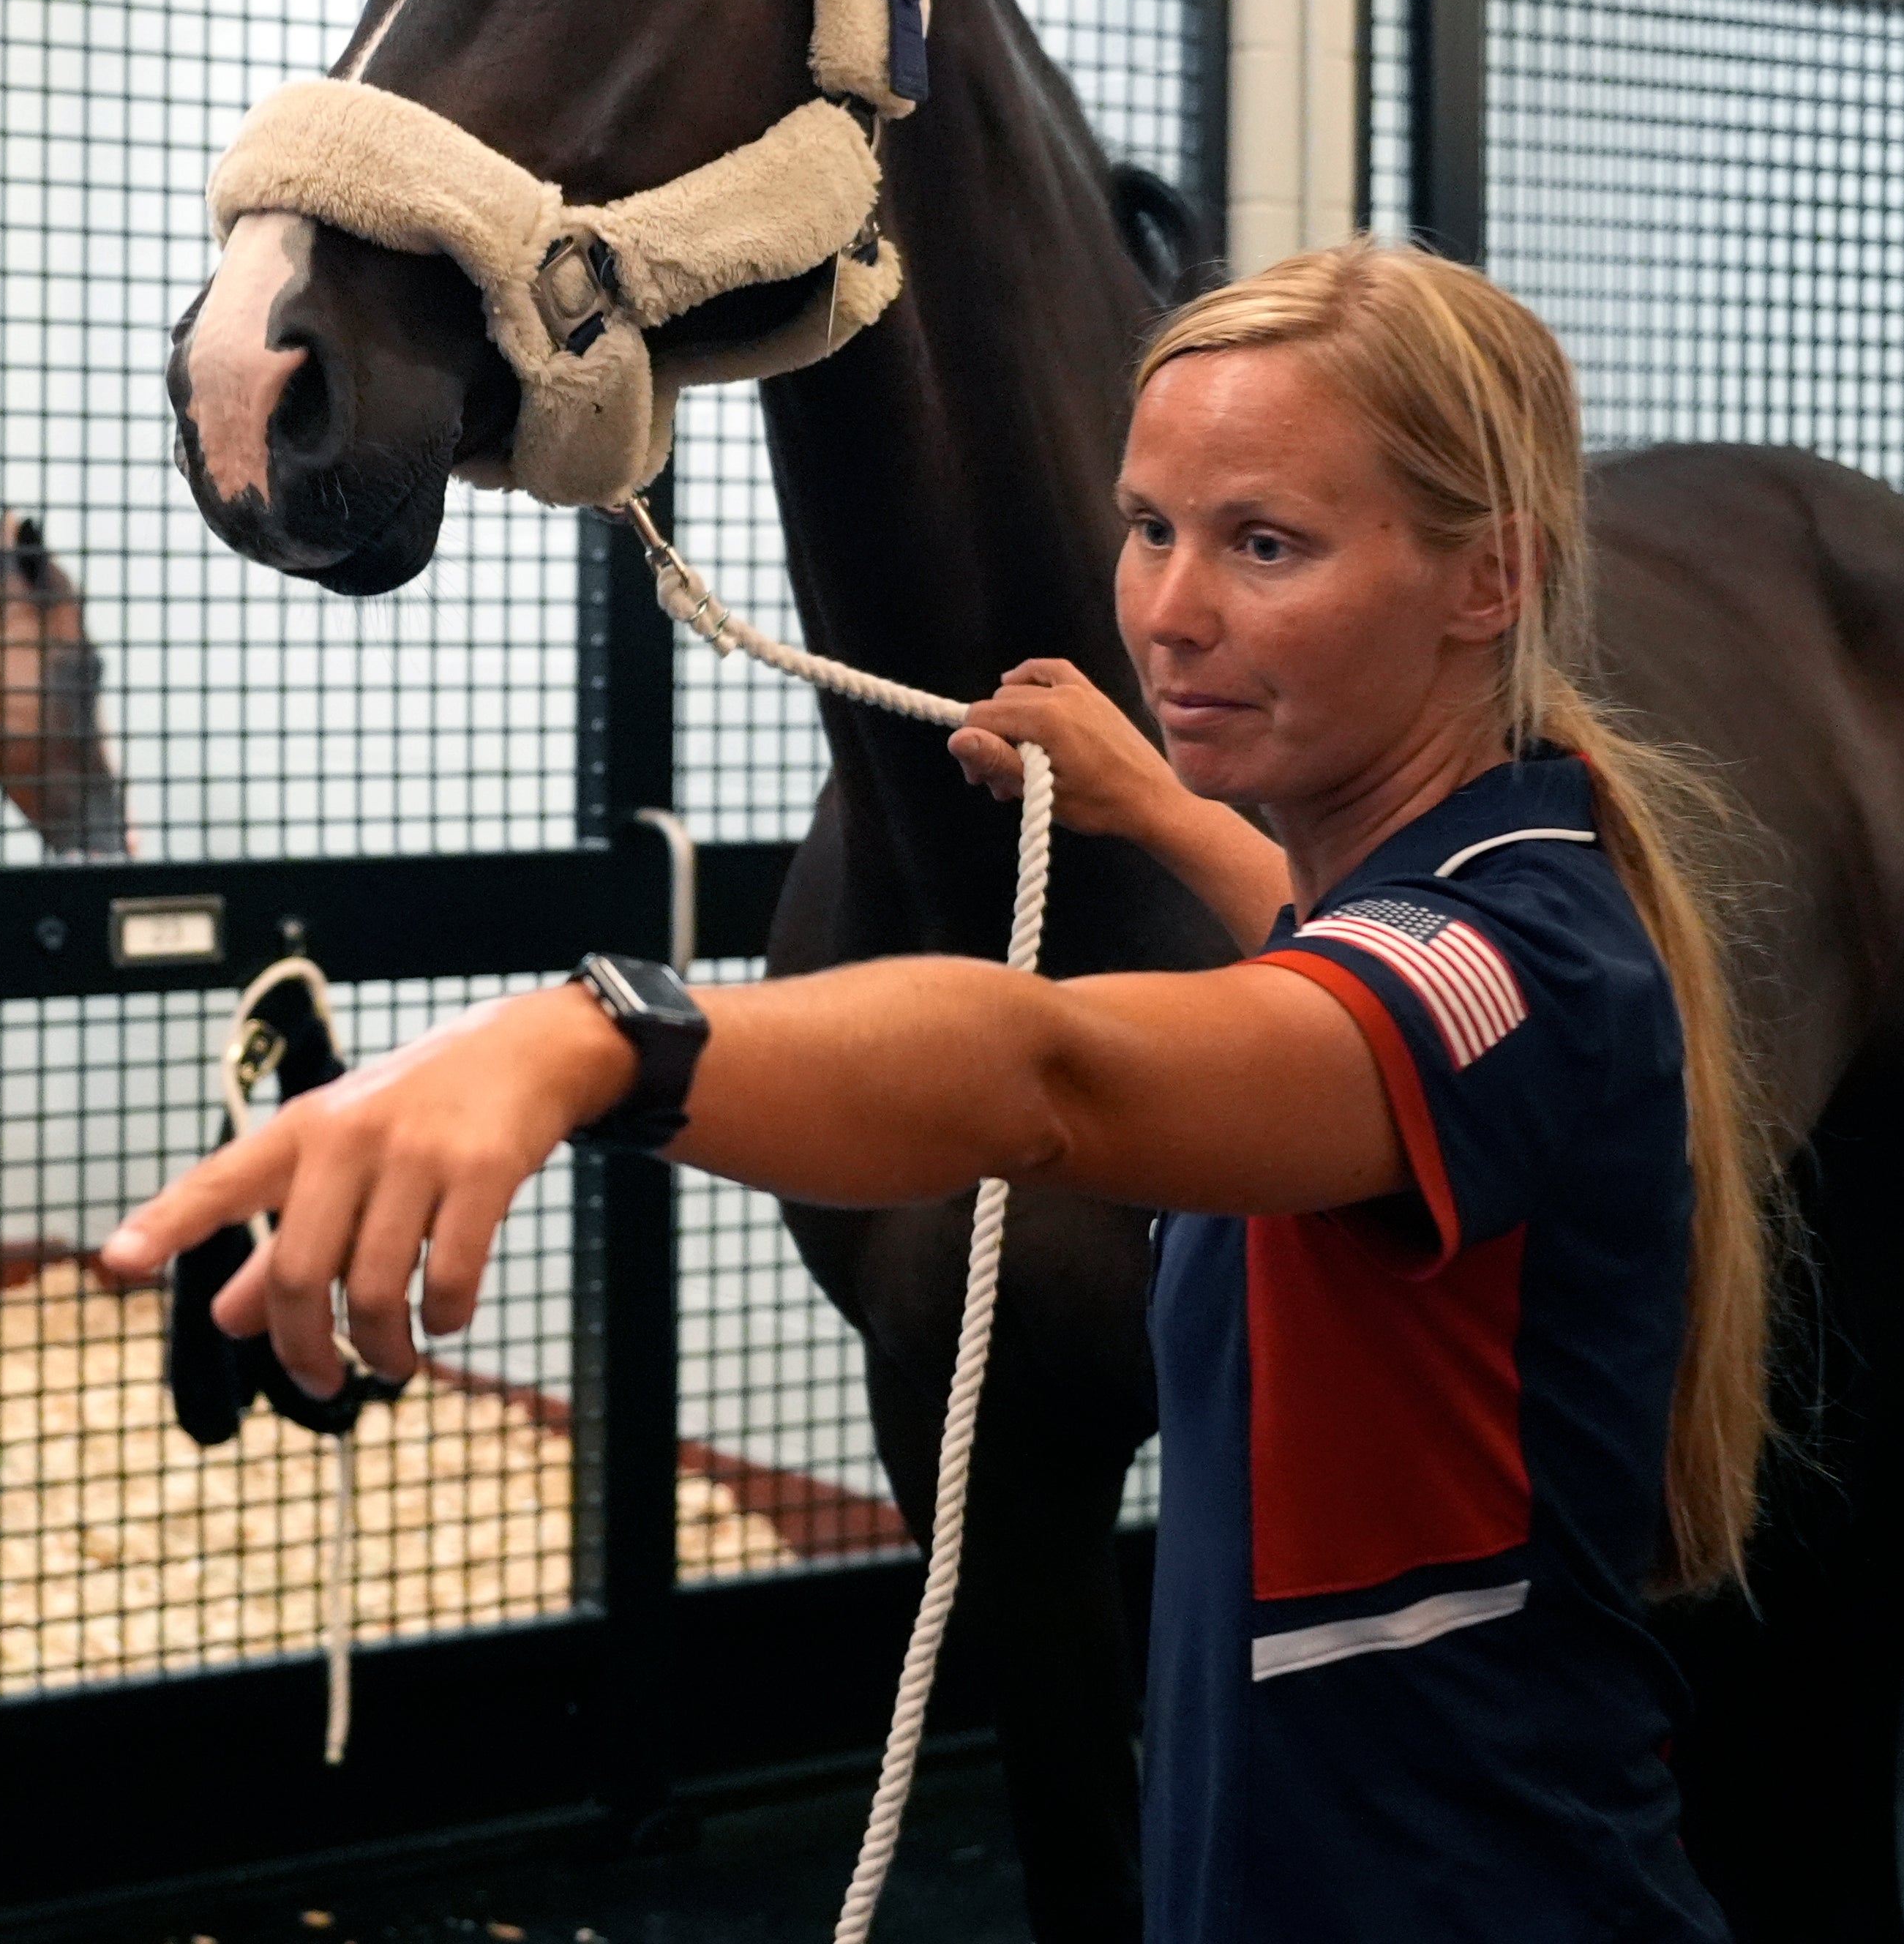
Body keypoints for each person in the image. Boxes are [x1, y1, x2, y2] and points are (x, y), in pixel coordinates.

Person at [99, 240, 1772, 1944]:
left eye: (1267, 545)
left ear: (1489, 580)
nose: (1172, 611)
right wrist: (1160, 805)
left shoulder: (1512, 967)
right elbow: (1329, 943)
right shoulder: (1484, 884)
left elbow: (1041, 1075)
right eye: (1150, 528)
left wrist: (588, 1042)